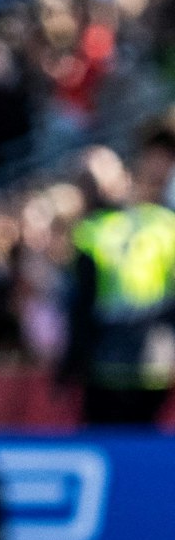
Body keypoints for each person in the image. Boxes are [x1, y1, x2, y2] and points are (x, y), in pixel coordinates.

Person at [61, 126, 175, 426]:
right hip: (154, 365)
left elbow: (80, 307)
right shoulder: (165, 225)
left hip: (108, 365)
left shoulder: (91, 232)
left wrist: (69, 367)